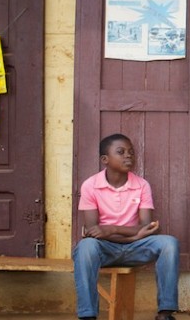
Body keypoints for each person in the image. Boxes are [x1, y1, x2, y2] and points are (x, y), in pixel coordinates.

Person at [74, 133, 180, 320]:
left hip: (135, 249)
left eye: (131, 152)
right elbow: (93, 233)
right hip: (106, 250)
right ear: (105, 159)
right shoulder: (90, 186)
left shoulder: (141, 185)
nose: (128, 156)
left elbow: (147, 227)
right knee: (85, 247)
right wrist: (133, 235)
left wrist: (112, 229)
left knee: (169, 243)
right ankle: (87, 315)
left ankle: (165, 313)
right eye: (121, 152)